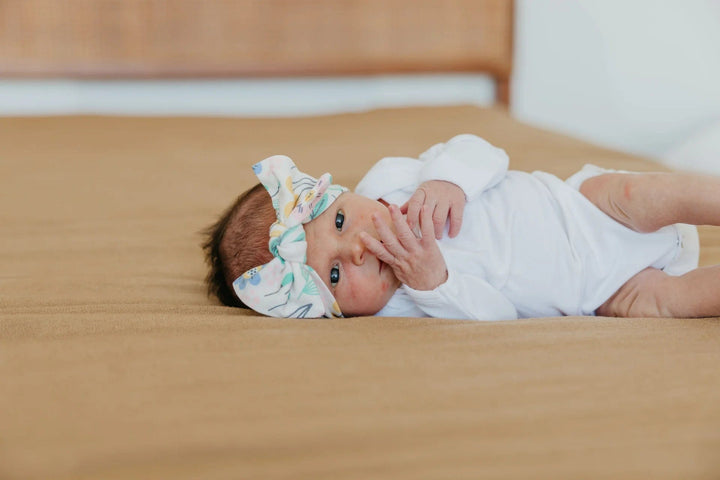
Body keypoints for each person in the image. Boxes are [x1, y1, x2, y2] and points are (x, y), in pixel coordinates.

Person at [203, 134, 720, 320]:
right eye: (334, 275)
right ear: (330, 310)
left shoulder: (395, 177)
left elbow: (485, 150)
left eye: (339, 220)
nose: (359, 249)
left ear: (339, 194)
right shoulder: (407, 306)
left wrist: (449, 182)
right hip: (599, 290)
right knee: (664, 303)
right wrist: (436, 283)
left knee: (642, 193)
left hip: (580, 208)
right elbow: (497, 314)